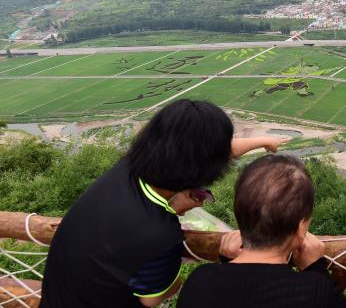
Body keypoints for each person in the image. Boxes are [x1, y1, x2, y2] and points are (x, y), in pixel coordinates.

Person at [40, 99, 288, 308]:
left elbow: (202, 152)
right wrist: (180, 277)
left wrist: (262, 141)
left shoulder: (127, 169)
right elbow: (152, 299)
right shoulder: (161, 235)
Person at [177, 154, 346, 308]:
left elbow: (234, 293)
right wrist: (316, 268)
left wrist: (225, 263)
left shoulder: (199, 281)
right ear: (300, 229)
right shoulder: (315, 292)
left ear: (240, 218)